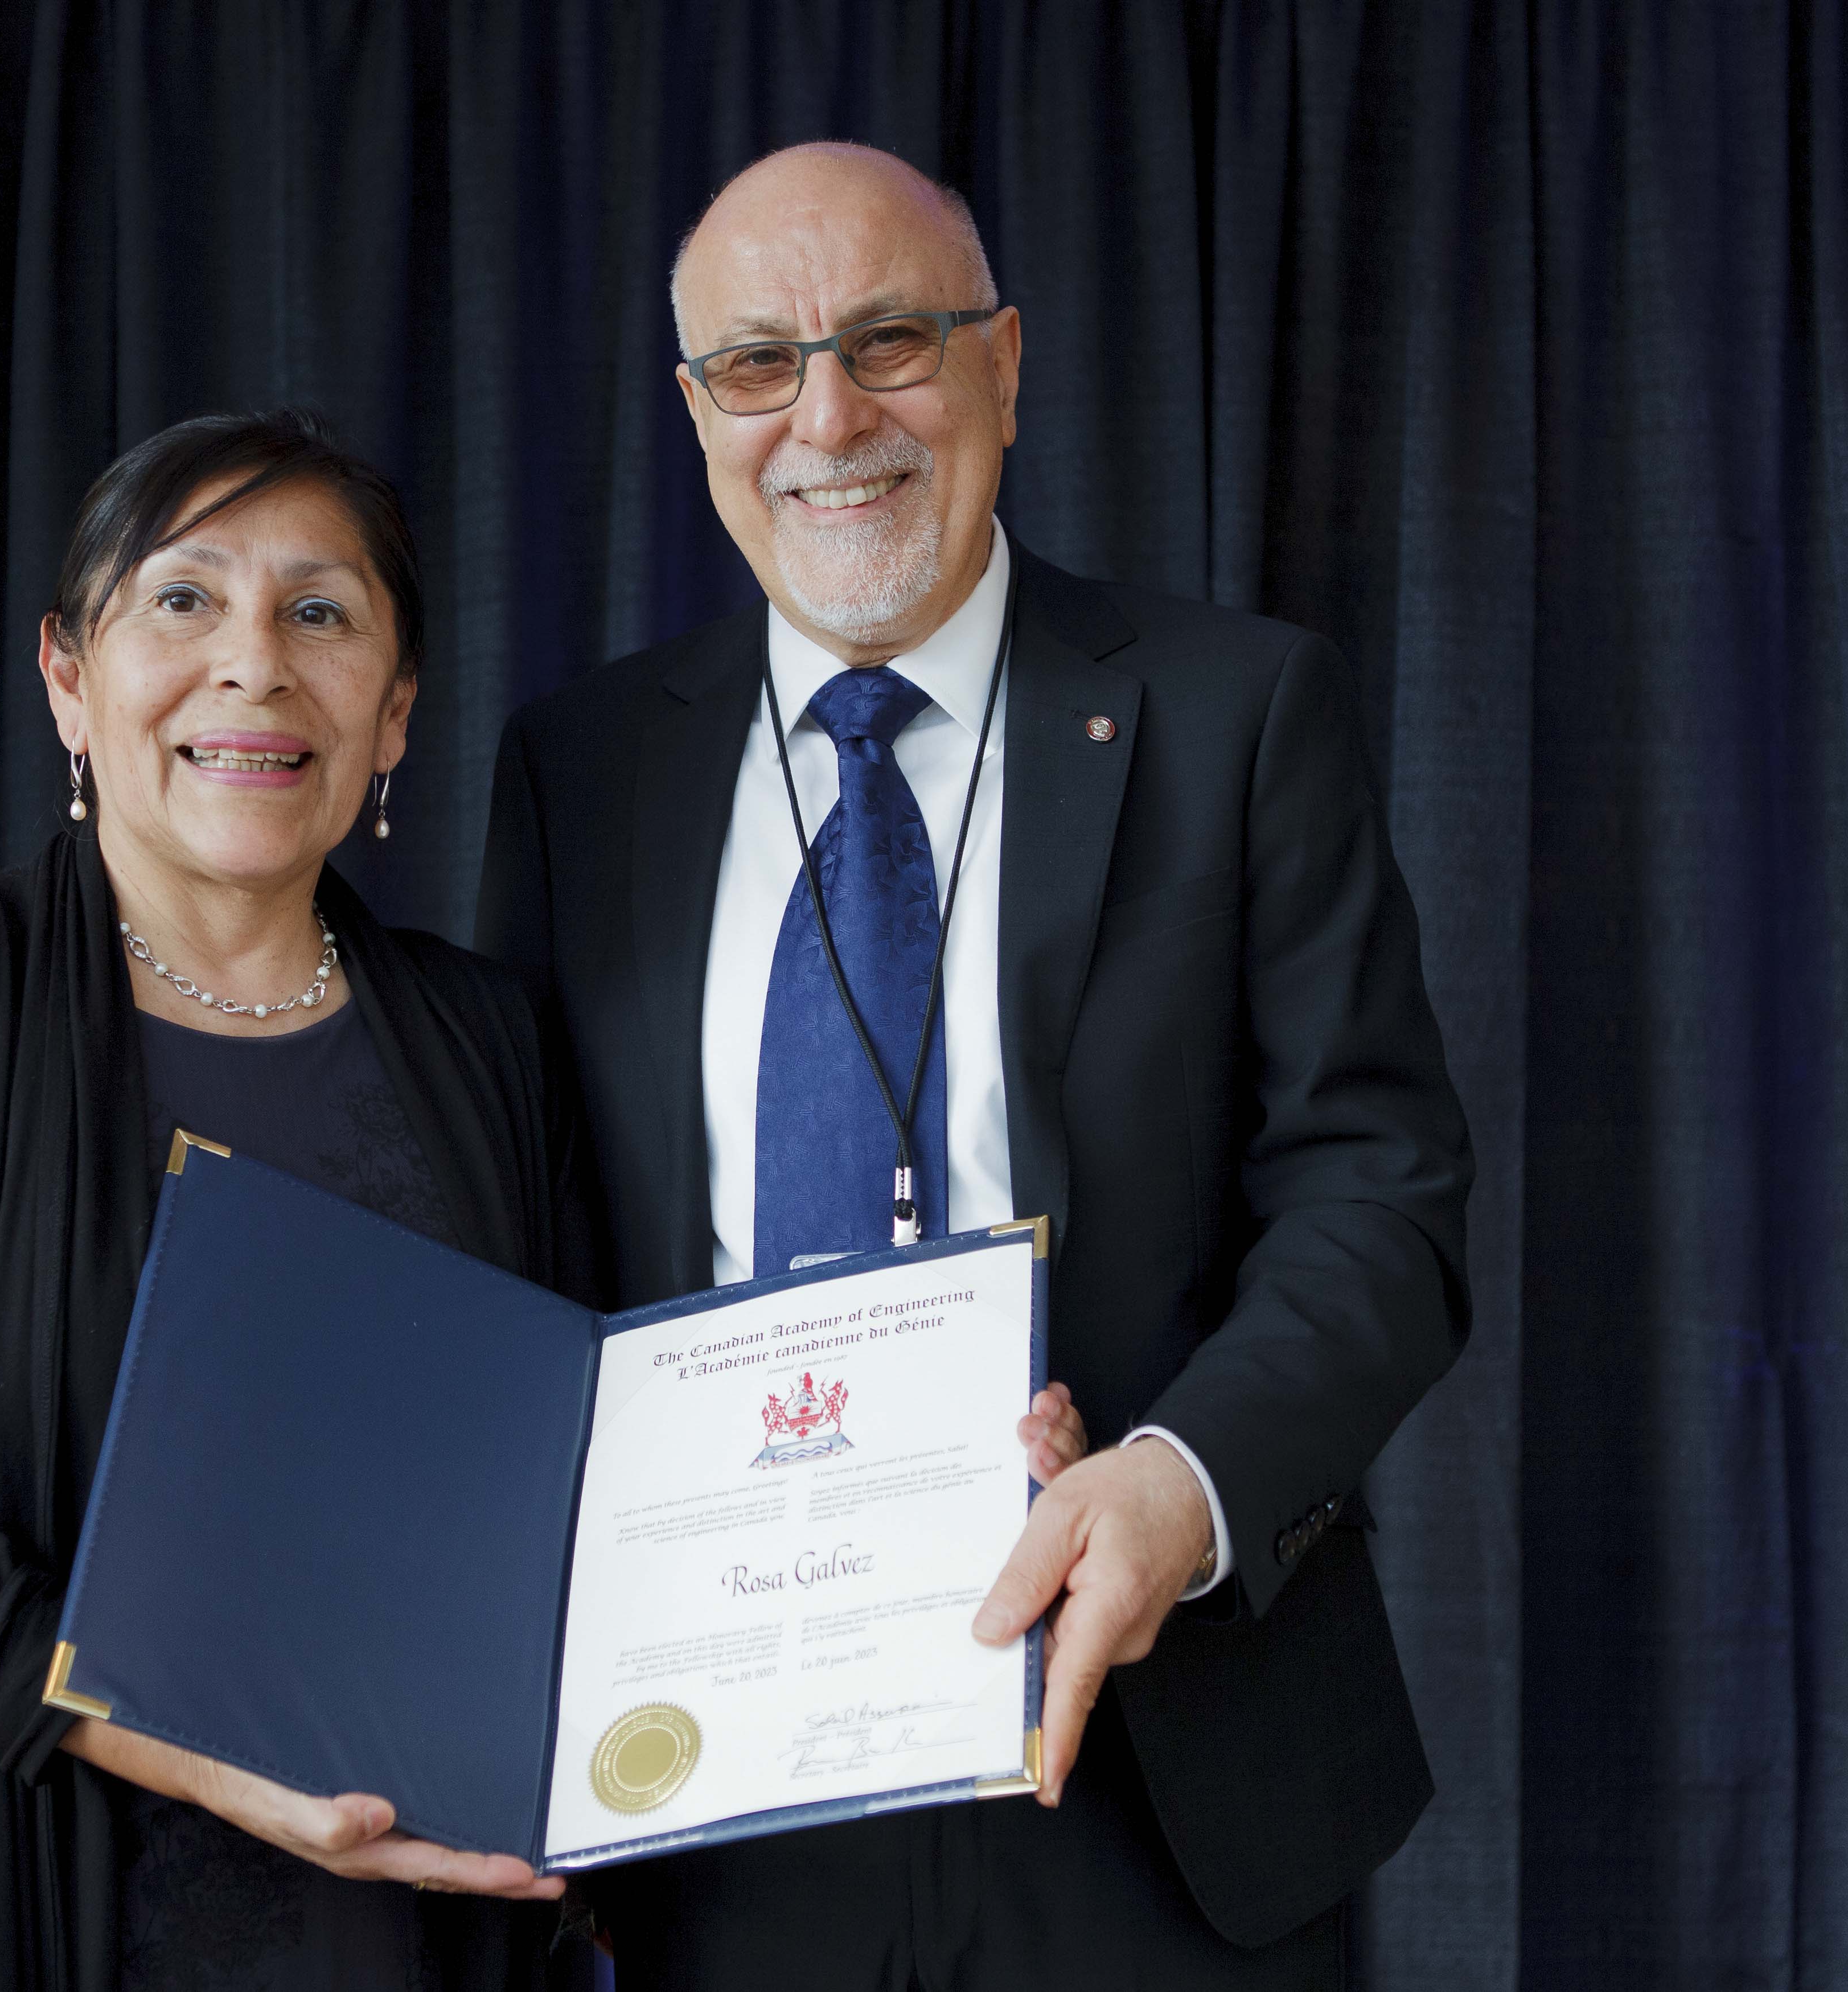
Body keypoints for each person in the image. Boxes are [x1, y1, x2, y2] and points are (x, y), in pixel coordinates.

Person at [478, 143, 1474, 1987]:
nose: (828, 415)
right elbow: (531, 1236)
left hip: (1164, 1765)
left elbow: (1381, 1197)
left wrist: (1180, 1480)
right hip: (718, 1801)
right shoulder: (583, 768)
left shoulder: (1237, 711)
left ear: (1004, 368)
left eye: (889, 341)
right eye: (758, 365)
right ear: (696, 414)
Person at [0, 410, 596, 1992]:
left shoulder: (493, 1040)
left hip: (410, 1907)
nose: (252, 664)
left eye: (319, 612)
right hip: (12, 1863)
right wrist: (206, 1751)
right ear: (69, 674)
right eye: (181, 600)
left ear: (393, 715)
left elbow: (576, 1459)